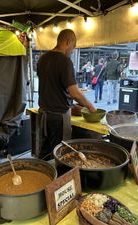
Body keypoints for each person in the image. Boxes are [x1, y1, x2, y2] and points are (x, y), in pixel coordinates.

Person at [37, 29, 96, 160]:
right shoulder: (64, 61)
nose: (72, 51)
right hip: (59, 117)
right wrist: (90, 106)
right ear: (68, 42)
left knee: (45, 152)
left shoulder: (42, 59)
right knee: (61, 154)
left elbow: (51, 86)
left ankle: (45, 177)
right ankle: (60, 179)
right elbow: (74, 92)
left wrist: (66, 99)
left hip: (44, 114)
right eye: (73, 47)